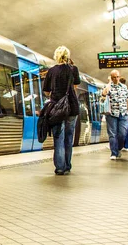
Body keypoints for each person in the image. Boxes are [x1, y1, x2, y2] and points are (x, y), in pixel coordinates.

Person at [42, 46, 80, 175]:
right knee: (69, 138)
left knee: (58, 138)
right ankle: (67, 166)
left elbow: (46, 91)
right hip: (72, 107)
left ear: (56, 56)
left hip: (57, 108)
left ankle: (59, 167)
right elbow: (75, 86)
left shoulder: (51, 71)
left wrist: (54, 94)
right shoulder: (73, 69)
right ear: (68, 56)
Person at [101, 70, 128, 160]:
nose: (116, 79)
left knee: (122, 133)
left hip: (123, 113)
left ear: (119, 77)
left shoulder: (124, 87)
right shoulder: (108, 87)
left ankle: (118, 148)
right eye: (113, 77)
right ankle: (113, 153)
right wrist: (108, 84)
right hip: (111, 114)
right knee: (112, 134)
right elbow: (103, 94)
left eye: (117, 77)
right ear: (111, 78)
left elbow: (127, 100)